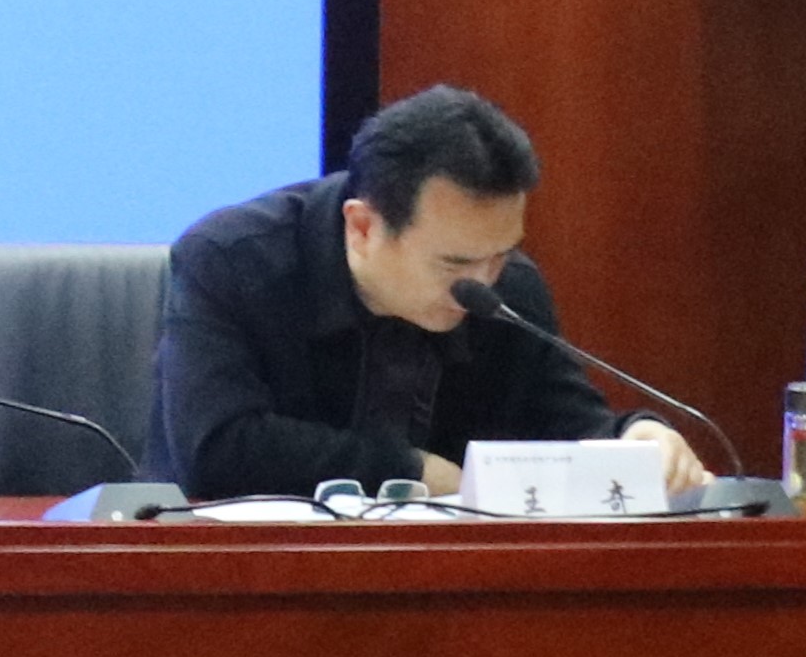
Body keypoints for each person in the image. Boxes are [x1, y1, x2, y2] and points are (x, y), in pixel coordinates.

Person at [151, 83, 710, 501]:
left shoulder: (510, 286)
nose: (483, 284)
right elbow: (217, 449)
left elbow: (564, 423)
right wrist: (409, 471)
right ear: (363, 227)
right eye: (455, 263)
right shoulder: (231, 260)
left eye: (502, 253)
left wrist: (636, 437)